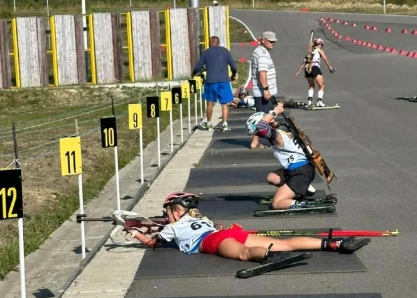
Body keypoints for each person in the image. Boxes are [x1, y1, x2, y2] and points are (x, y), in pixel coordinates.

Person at [126, 192, 369, 264]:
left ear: (175, 211)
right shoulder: (199, 218)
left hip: (211, 242)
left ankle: (272, 257)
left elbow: (151, 243)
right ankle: (335, 243)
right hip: (226, 231)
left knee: (243, 253)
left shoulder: (173, 228)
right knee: (285, 240)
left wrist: (134, 232)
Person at [246, 102, 319, 210]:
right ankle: (303, 188)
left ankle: (301, 203)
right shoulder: (282, 130)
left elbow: (261, 127)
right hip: (304, 168)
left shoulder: (276, 136)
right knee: (272, 177)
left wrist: (275, 111)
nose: (259, 135)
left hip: (300, 173)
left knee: (276, 203)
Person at [191, 36, 238, 132]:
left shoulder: (206, 52)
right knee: (224, 103)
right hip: (224, 81)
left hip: (211, 81)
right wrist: (233, 75)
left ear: (210, 43)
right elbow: (233, 66)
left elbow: (198, 66)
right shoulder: (225, 51)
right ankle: (225, 124)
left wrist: (193, 74)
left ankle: (209, 123)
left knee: (210, 103)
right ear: (218, 42)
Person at [250, 31, 278, 149]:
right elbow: (262, 72)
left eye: (274, 42)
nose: (273, 44)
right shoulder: (262, 54)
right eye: (270, 41)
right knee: (263, 118)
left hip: (263, 91)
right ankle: (255, 142)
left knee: (267, 117)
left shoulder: (261, 51)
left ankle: (272, 139)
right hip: (263, 92)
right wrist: (266, 89)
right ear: (263, 40)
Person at [295, 38, 336, 107]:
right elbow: (325, 59)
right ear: (320, 44)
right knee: (321, 85)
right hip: (315, 68)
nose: (321, 46)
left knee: (311, 86)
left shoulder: (310, 52)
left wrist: (299, 71)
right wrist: (330, 67)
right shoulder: (319, 50)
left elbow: (304, 62)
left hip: (307, 69)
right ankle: (319, 101)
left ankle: (310, 102)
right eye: (321, 45)